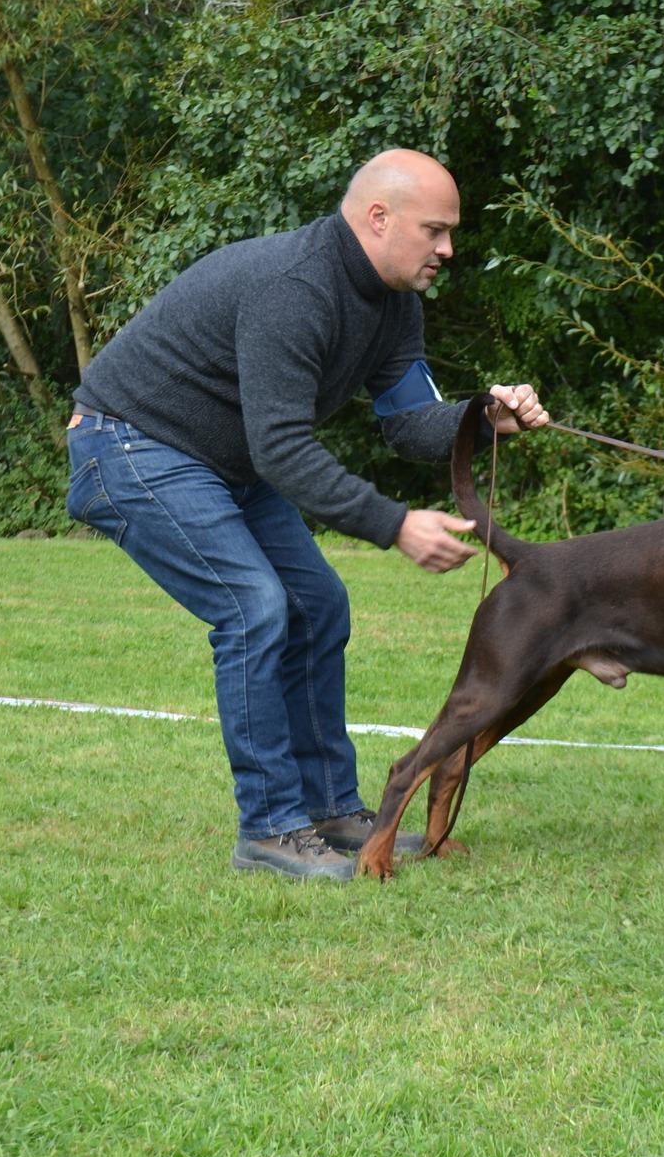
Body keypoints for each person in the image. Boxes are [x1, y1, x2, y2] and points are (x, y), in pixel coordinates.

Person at [65, 149, 549, 880]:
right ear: (378, 218)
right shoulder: (294, 288)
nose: (448, 249)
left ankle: (330, 810)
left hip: (221, 460)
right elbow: (283, 448)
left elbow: (411, 420)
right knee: (255, 606)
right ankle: (268, 829)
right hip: (130, 442)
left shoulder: (394, 305)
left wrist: (483, 414)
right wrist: (394, 524)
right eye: (436, 231)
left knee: (318, 604)